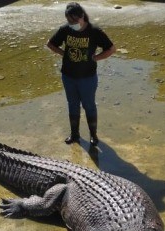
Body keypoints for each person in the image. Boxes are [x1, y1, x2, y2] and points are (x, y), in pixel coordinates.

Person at [46, 2, 116, 147]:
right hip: (68, 76)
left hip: (88, 78)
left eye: (74, 20)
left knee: (89, 106)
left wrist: (96, 58)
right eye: (69, 21)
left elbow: (111, 49)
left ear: (82, 16)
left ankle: (93, 135)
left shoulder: (94, 31)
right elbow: (50, 44)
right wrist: (63, 53)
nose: (72, 24)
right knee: (72, 105)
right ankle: (74, 134)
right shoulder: (65, 30)